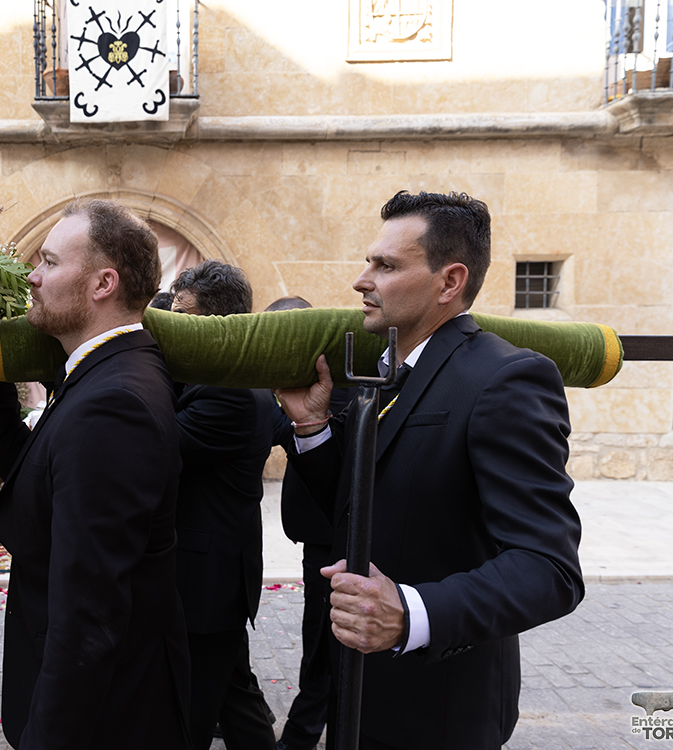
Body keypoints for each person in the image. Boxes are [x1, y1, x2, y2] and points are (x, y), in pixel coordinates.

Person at [276, 190, 584, 750]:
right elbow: (366, 506)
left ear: (449, 282)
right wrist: (311, 428)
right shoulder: (388, 372)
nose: (361, 280)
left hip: (439, 707)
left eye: (386, 265)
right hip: (363, 691)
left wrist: (412, 613)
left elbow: (549, 569)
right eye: (370, 261)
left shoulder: (506, 378)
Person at [0, 199, 191, 749]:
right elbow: (42, 477)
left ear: (103, 283)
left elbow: (90, 613)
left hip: (109, 723)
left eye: (49, 262)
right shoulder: (101, 372)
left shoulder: (114, 403)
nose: (33, 277)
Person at [169, 259, 278, 750]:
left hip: (205, 584)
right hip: (212, 579)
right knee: (235, 696)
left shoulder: (229, 392)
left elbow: (152, 445)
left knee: (187, 717)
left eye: (182, 313)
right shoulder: (212, 377)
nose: (172, 320)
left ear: (218, 326)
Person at [265, 296, 349, 750]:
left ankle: (299, 737)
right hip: (313, 539)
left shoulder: (337, 385)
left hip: (332, 538)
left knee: (322, 646)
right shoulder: (293, 390)